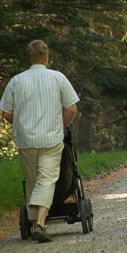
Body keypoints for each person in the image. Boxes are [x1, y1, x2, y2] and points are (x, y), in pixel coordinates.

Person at [0, 40, 79, 242]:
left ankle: (35, 220)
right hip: (51, 138)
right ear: (46, 57)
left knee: (33, 180)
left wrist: (21, 123)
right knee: (47, 179)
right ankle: (39, 224)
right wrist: (62, 126)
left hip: (25, 139)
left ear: (30, 57)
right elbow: (71, 108)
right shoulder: (57, 78)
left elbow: (6, 112)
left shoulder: (17, 81)